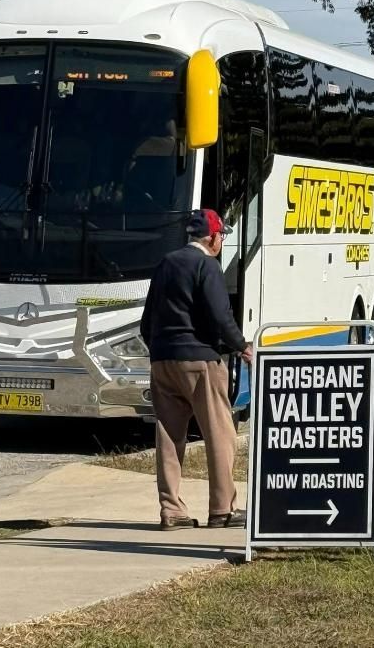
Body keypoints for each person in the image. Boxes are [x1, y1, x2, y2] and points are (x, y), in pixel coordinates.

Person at [140, 208, 253, 531]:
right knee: (219, 433)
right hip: (200, 359)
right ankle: (223, 509)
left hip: (162, 359)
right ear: (213, 238)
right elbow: (220, 315)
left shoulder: (166, 263)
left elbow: (147, 321)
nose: (221, 242)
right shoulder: (207, 266)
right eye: (222, 236)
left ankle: (171, 509)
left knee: (169, 436)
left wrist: (159, 348)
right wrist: (242, 346)